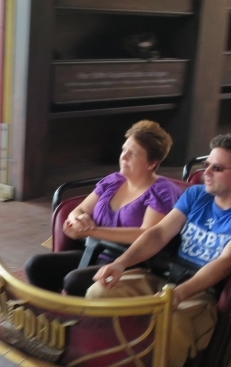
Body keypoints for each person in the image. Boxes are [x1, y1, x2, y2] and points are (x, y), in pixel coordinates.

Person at [88, 134, 231, 367]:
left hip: (205, 293)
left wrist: (178, 294)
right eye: (206, 165)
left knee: (170, 323)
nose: (206, 172)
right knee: (100, 291)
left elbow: (226, 261)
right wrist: (120, 264)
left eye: (217, 168)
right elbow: (158, 234)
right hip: (166, 278)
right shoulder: (196, 194)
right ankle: (96, 360)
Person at [25, 120, 179, 296]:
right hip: (95, 253)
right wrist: (78, 220)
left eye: (133, 154)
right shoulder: (113, 181)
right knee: (36, 265)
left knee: (74, 281)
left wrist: (92, 231)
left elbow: (147, 234)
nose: (124, 157)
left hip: (133, 265)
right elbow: (79, 209)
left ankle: (76, 320)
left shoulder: (162, 190)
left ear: (152, 163)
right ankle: (53, 316)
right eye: (124, 150)